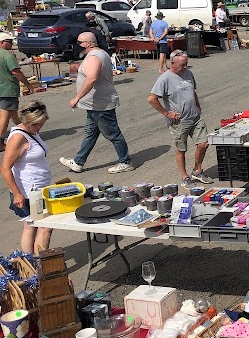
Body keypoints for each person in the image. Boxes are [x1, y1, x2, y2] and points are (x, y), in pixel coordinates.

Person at [59, 32, 134, 174]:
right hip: (94, 104)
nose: (77, 44)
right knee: (90, 133)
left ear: (88, 43)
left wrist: (77, 97)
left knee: (113, 134)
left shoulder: (94, 57)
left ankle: (125, 161)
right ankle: (78, 161)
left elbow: (92, 78)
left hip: (101, 104)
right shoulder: (99, 54)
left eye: (79, 42)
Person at [148, 50, 213, 189]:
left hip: (195, 117)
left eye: (186, 64)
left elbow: (192, 92)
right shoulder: (165, 78)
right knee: (181, 150)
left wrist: (198, 107)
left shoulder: (188, 73)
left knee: (204, 144)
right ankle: (185, 177)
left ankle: (197, 171)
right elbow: (151, 99)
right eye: (183, 65)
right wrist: (167, 113)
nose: (185, 67)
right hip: (179, 121)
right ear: (172, 63)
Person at [1, 99, 53, 253]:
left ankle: (30, 265)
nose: (39, 127)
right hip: (30, 192)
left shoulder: (31, 132)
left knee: (31, 225)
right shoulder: (18, 137)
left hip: (37, 189)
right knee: (45, 227)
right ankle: (40, 264)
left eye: (41, 123)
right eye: (36, 124)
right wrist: (17, 194)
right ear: (26, 121)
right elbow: (4, 168)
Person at [0, 32, 34, 150]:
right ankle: (0, 141)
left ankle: (27, 131)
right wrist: (28, 84)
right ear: (2, 42)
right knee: (5, 115)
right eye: (9, 41)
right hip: (7, 89)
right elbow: (16, 72)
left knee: (14, 113)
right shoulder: (7, 56)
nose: (11, 43)